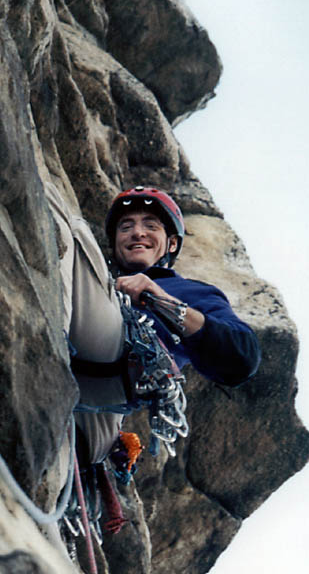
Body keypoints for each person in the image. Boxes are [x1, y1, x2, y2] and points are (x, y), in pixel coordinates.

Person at [47, 183, 260, 471]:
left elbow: (242, 356)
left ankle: (46, 342)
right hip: (95, 399)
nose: (137, 232)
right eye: (126, 227)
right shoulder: (97, 283)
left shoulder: (191, 291)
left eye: (151, 225)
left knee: (64, 216)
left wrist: (159, 298)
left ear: (171, 244)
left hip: (122, 369)